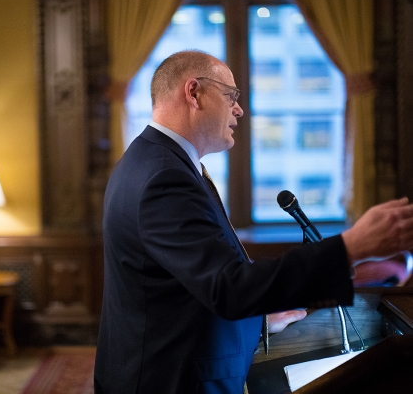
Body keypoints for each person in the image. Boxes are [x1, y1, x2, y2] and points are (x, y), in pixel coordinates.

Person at [94, 50, 413, 394]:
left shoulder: (154, 159)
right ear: (193, 93)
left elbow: (195, 284)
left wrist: (258, 320)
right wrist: (352, 247)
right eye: (231, 96)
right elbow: (228, 287)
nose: (239, 109)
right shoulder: (163, 176)